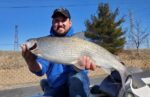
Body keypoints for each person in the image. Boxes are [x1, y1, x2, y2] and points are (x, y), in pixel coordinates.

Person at [21, 8, 96, 97]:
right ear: (52, 23)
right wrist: (31, 61)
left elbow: (80, 69)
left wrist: (80, 67)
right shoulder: (45, 43)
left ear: (70, 23)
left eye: (63, 20)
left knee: (77, 77)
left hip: (77, 85)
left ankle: (46, 86)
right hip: (56, 88)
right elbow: (40, 70)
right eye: (56, 21)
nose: (60, 24)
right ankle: (47, 86)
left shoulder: (80, 41)